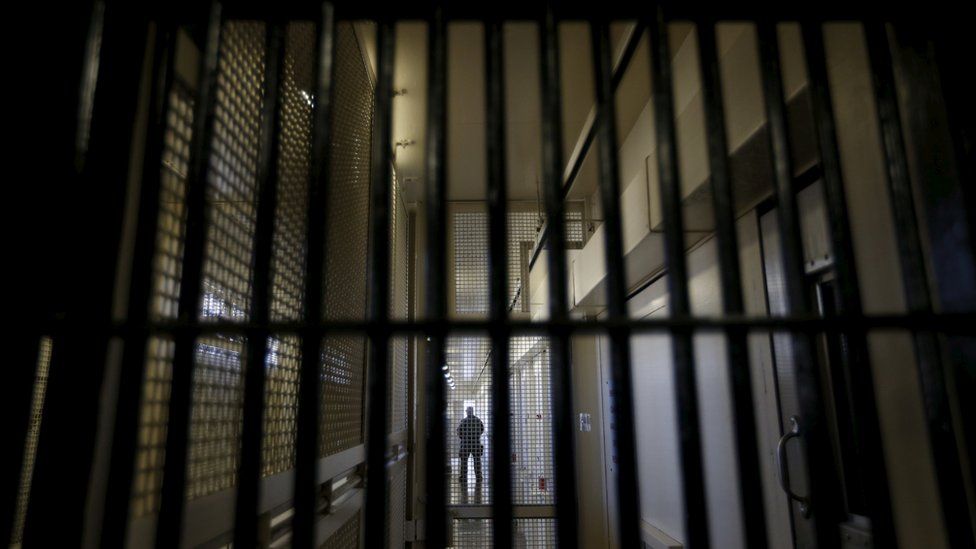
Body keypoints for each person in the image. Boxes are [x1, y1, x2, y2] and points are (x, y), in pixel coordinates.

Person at [457, 407, 485, 489]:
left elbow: (459, 432)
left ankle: (463, 477)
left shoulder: (464, 421)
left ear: (467, 412)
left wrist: (463, 437)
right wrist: (476, 436)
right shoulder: (478, 420)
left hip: (465, 444)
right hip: (475, 443)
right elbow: (482, 429)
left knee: (464, 461)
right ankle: (478, 477)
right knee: (477, 461)